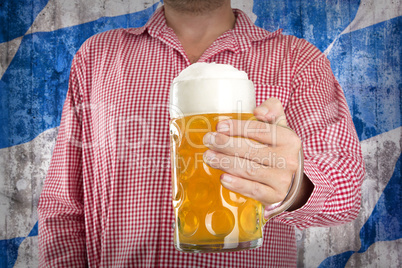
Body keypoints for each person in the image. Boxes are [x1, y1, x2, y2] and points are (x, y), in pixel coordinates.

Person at [38, 0, 365, 267]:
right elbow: (63, 205)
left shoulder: (298, 59)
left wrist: (295, 186)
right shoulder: (96, 55)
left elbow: (348, 190)